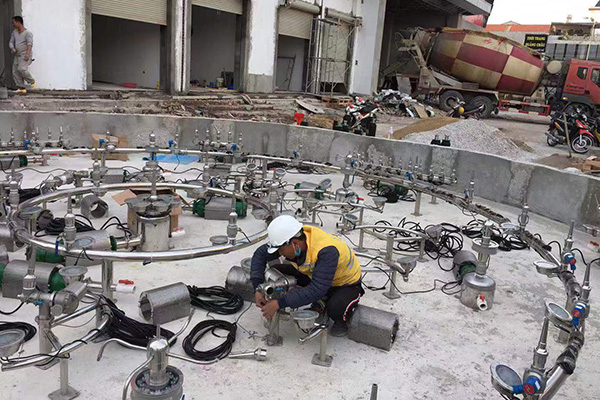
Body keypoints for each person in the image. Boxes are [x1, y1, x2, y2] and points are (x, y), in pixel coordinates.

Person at [250, 215, 364, 337]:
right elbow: (260, 255)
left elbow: (317, 289)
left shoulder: (326, 251)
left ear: (294, 244)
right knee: (276, 272)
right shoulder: (290, 237)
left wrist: (279, 303)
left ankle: (341, 320)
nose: (281, 254)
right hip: (316, 275)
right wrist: (258, 288)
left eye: (282, 250)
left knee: (335, 307)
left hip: (345, 284)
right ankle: (318, 302)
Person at [9, 16, 35, 94]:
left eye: (13, 22)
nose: (13, 24)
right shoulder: (14, 32)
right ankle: (21, 88)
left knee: (22, 69)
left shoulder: (28, 33)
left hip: (25, 54)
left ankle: (32, 82)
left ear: (18, 22)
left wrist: (27, 54)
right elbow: (11, 42)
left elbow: (30, 44)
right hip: (17, 55)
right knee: (15, 71)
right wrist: (12, 48)